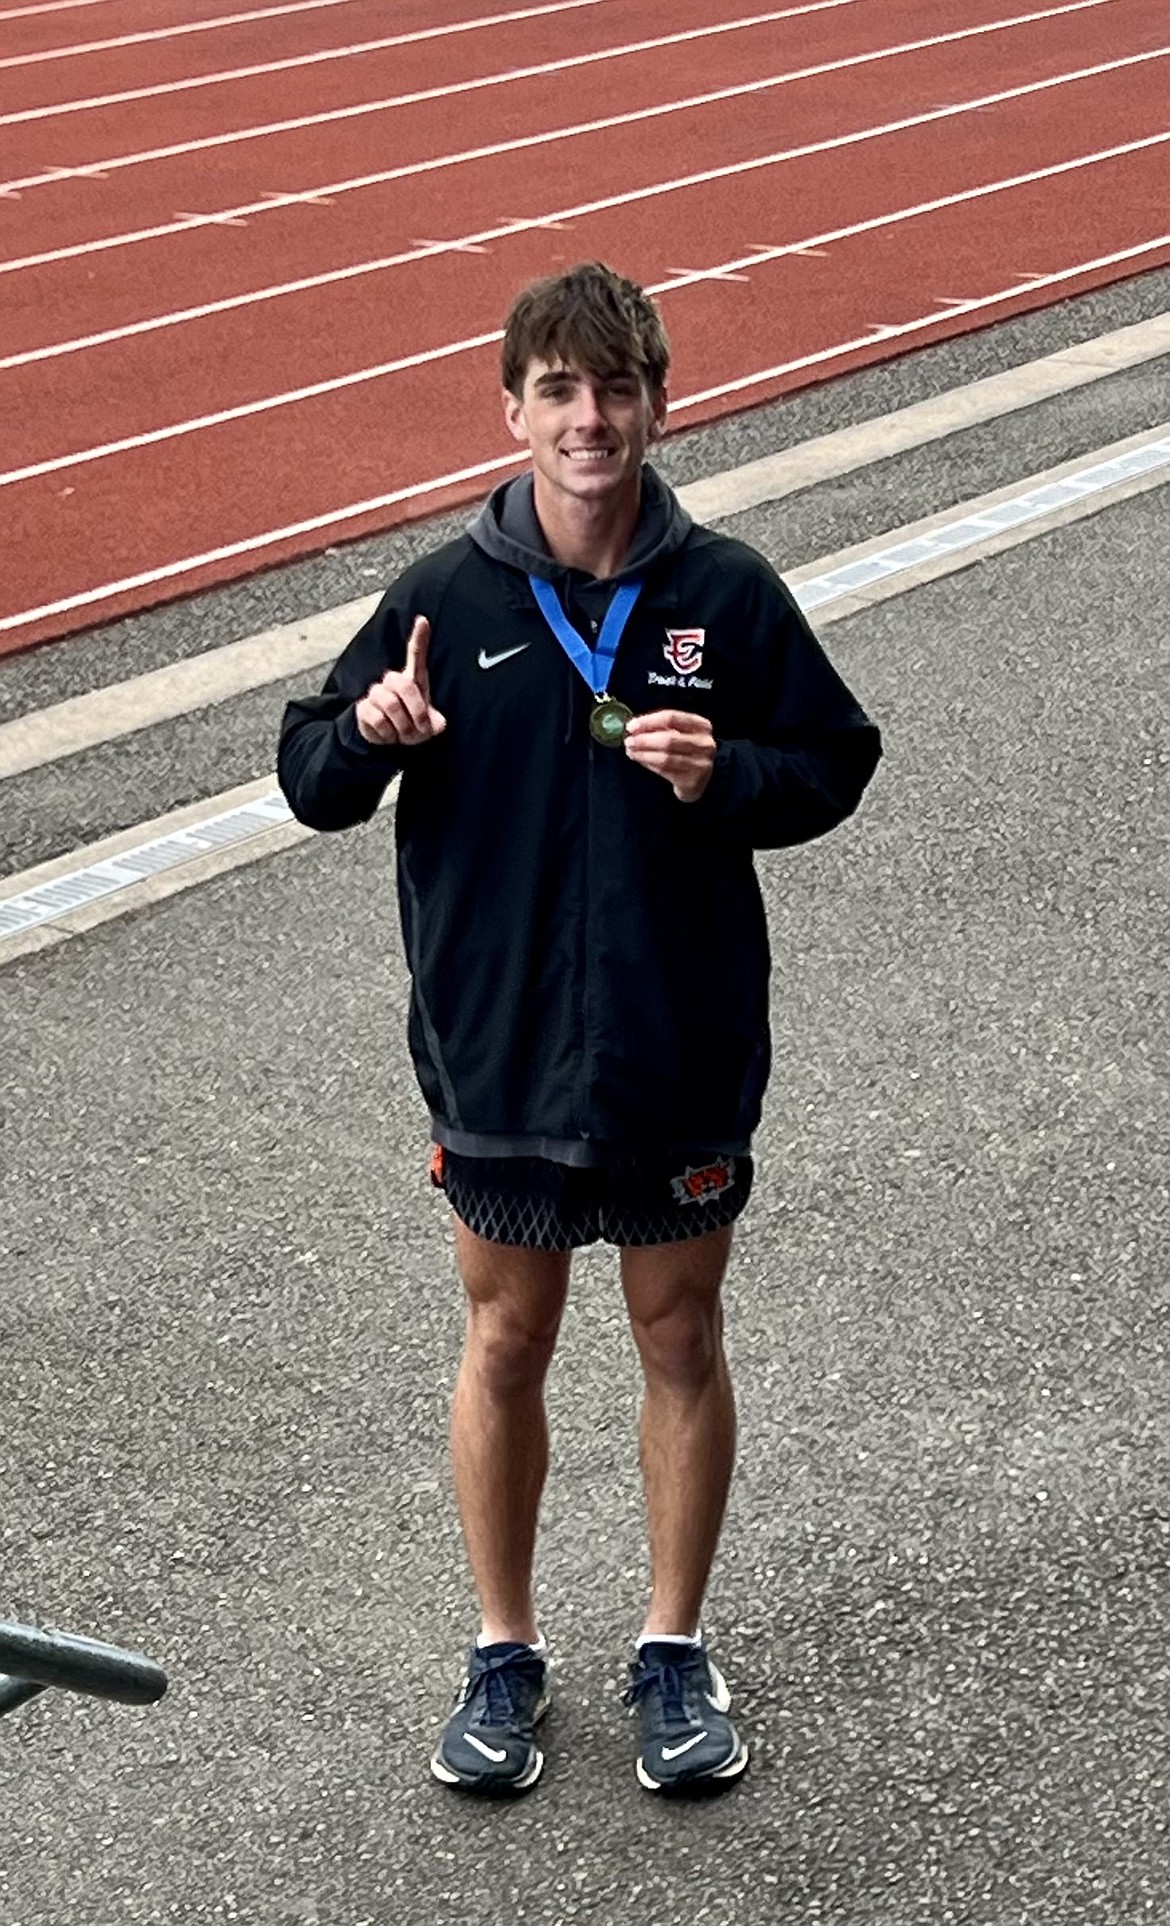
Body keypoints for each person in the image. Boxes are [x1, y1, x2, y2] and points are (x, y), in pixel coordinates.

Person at [277, 261, 881, 1797]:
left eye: (616, 388)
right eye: (558, 388)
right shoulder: (445, 596)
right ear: (512, 409)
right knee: (504, 1335)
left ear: (659, 403)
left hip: (676, 1047)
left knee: (677, 1334)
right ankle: (502, 1649)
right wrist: (366, 731)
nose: (589, 418)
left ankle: (673, 1650)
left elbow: (831, 757)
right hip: (496, 1050)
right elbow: (305, 775)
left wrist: (725, 773)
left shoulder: (723, 591)